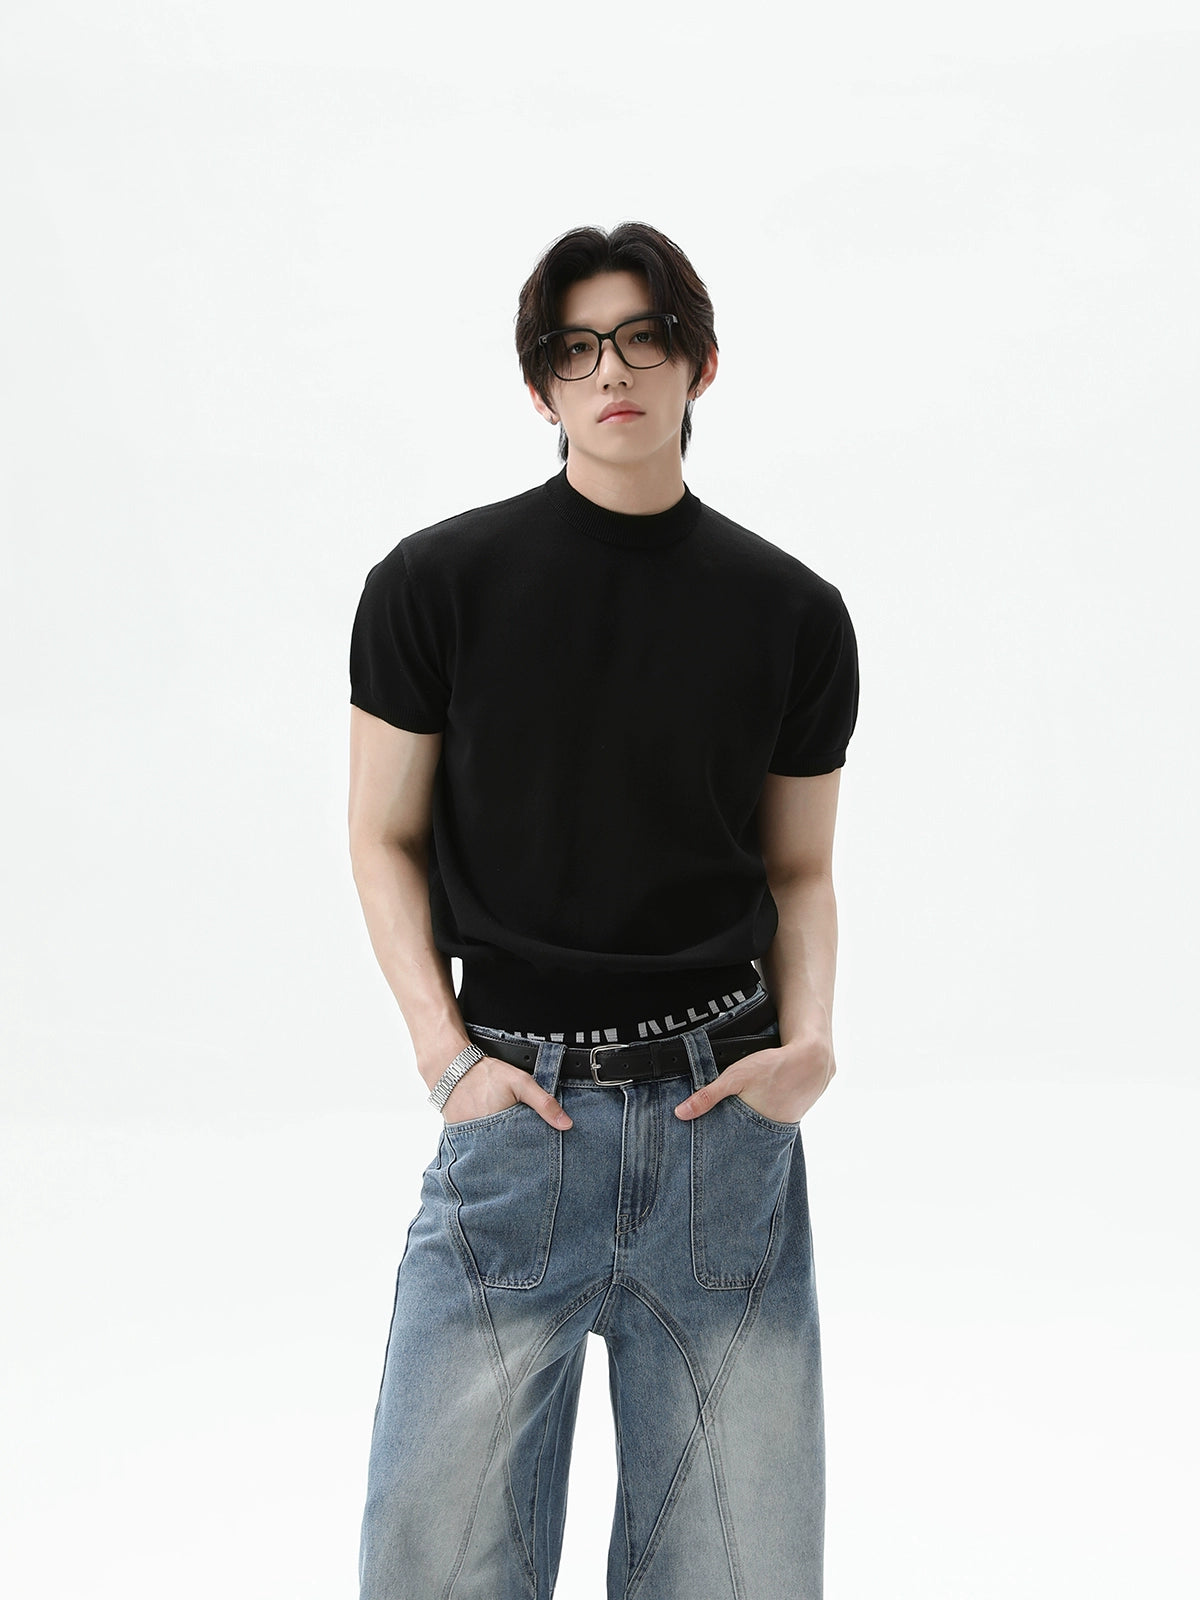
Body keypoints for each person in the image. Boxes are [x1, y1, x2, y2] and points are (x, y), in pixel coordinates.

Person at [347, 221, 860, 1600]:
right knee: (435, 1566)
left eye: (642, 338)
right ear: (541, 388)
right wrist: (444, 1057)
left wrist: (809, 1045)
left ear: (700, 363)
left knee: (736, 1575)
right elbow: (382, 835)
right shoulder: (434, 587)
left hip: (723, 1129)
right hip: (517, 1116)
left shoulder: (793, 612)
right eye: (574, 350)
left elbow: (799, 868)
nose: (612, 372)